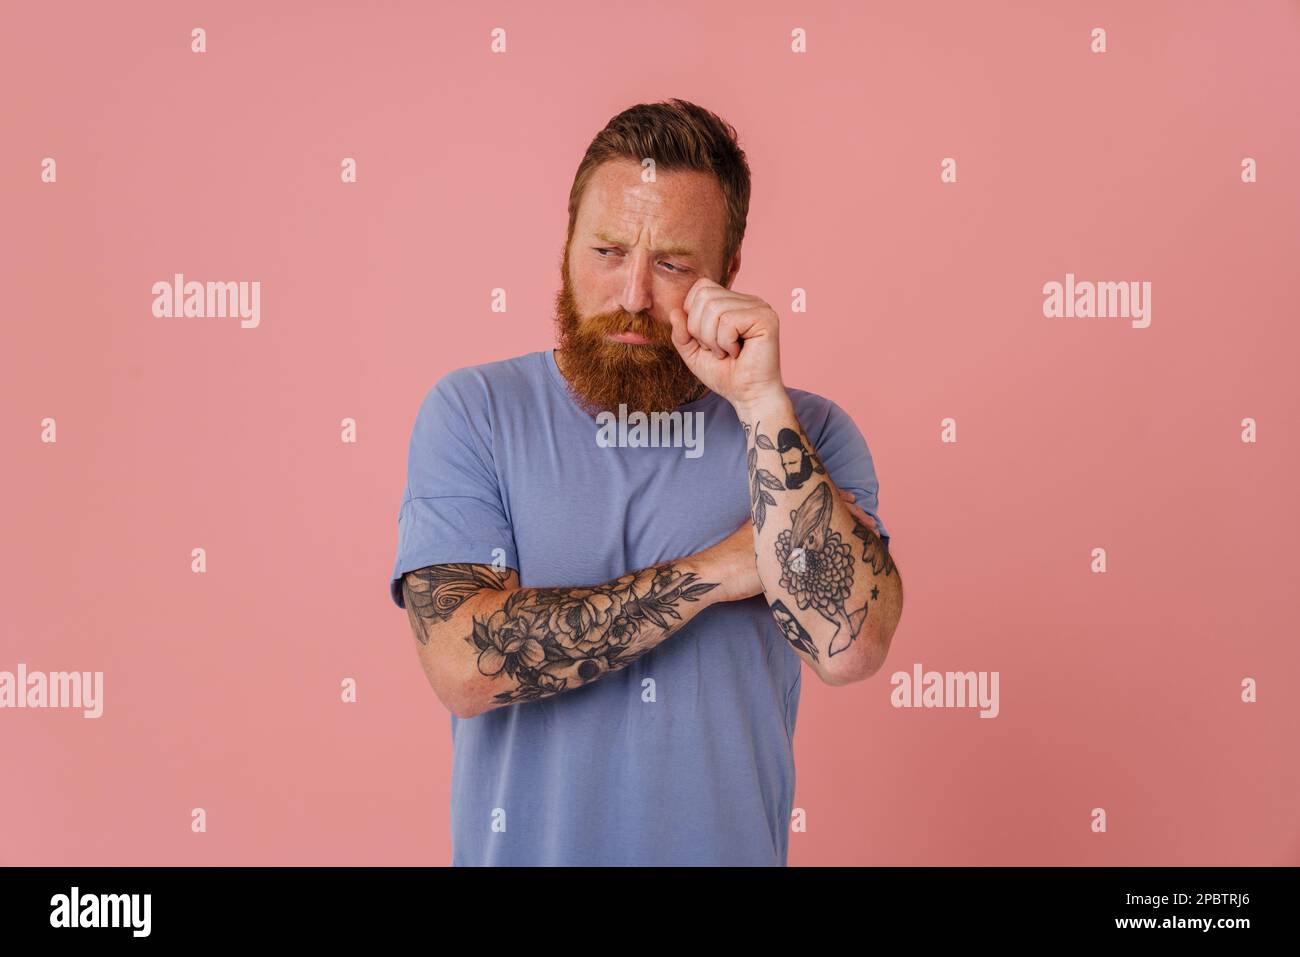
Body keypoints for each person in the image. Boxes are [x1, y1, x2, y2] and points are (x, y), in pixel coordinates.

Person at [389, 98, 904, 866]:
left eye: (671, 264)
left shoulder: (804, 435)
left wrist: (762, 402)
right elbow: (466, 663)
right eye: (607, 251)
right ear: (565, 247)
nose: (633, 294)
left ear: (727, 275)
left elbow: (850, 647)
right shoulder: (475, 414)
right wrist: (721, 569)